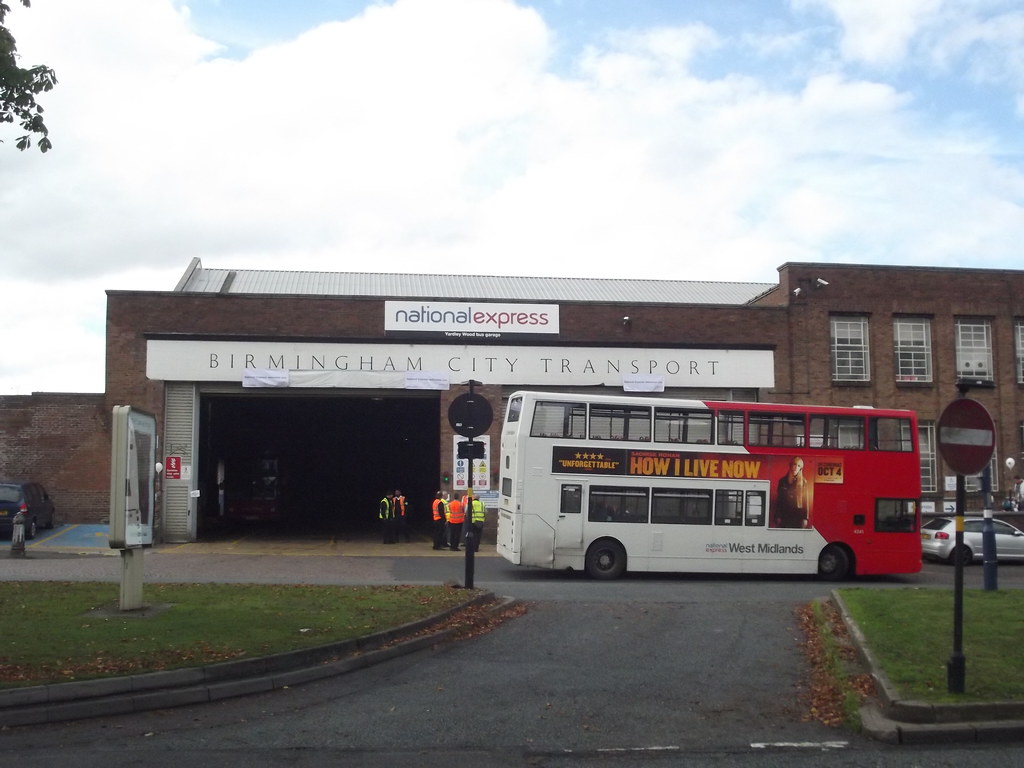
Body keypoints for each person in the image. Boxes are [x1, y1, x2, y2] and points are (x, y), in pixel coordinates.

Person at [773, 457, 810, 528]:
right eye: (794, 464)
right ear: (790, 465)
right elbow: (779, 500)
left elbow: (806, 502)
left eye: (799, 466)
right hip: (785, 515)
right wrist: (777, 516)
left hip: (798, 516)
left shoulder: (804, 482)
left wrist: (805, 518)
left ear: (800, 469)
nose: (796, 467)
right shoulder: (782, 481)